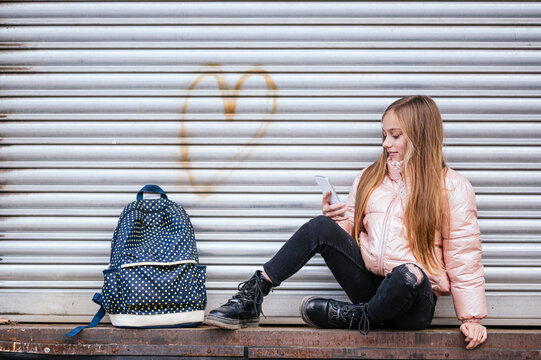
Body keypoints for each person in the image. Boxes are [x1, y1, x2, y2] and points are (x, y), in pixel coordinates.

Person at [205, 95, 488, 350]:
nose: (385, 143)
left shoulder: (453, 188)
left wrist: (472, 318)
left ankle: (359, 317)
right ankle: (251, 298)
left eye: (395, 135)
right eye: (384, 135)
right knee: (319, 226)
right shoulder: (370, 178)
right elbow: (350, 237)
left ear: (420, 136)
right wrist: (336, 220)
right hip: (369, 286)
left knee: (408, 273)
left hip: (412, 300)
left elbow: (464, 258)